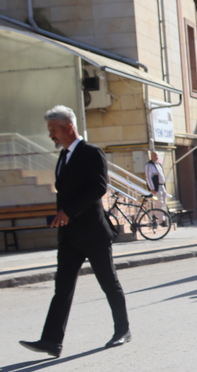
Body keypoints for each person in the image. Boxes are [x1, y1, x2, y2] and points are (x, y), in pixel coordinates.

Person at [19, 105, 131, 358]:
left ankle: (122, 330)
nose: (51, 135)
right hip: (69, 236)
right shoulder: (63, 156)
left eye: (54, 129)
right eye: (50, 130)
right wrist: (62, 217)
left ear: (69, 127)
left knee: (108, 283)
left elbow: (98, 188)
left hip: (93, 233)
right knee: (63, 288)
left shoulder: (91, 152)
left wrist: (68, 212)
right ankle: (51, 341)